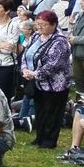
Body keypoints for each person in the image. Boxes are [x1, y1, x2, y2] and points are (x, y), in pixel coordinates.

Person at [19, 10, 71, 148]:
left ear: (53, 25)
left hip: (55, 85)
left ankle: (49, 141)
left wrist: (34, 74)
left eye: (43, 24)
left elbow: (54, 64)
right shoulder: (36, 35)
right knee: (40, 110)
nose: (40, 27)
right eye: (38, 24)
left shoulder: (60, 41)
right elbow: (26, 54)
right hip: (37, 83)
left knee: (52, 113)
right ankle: (40, 137)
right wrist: (24, 69)